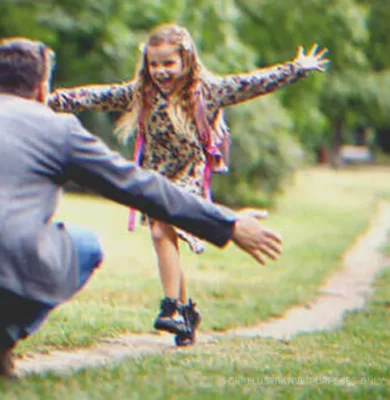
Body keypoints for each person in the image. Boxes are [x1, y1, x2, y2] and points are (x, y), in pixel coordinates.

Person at [0, 37, 283, 394]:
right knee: (85, 245)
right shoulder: (56, 129)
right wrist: (226, 223)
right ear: (43, 90)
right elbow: (139, 186)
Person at [47, 23, 328, 345]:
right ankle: (185, 312)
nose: (161, 71)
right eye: (154, 64)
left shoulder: (207, 91)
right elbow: (97, 96)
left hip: (190, 173)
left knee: (159, 230)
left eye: (168, 63)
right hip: (155, 174)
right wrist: (49, 99)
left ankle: (172, 307)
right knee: (165, 236)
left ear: (186, 60)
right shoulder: (142, 92)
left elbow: (253, 83)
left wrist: (296, 69)